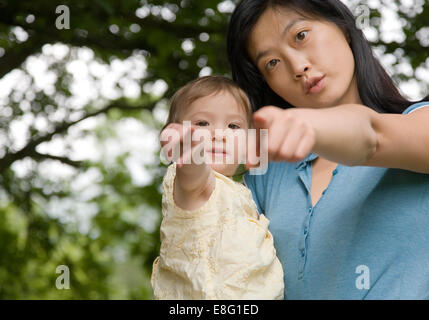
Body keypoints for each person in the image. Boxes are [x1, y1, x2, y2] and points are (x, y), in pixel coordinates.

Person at [226, 0, 429, 299]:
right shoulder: (265, 175)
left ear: (343, 26)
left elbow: (373, 135)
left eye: (301, 35)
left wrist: (309, 126)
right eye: (272, 62)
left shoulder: (419, 123)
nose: (298, 67)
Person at [151, 75, 284, 300]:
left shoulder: (241, 191)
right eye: (202, 124)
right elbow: (193, 173)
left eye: (233, 126)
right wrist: (189, 150)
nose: (219, 134)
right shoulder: (194, 184)